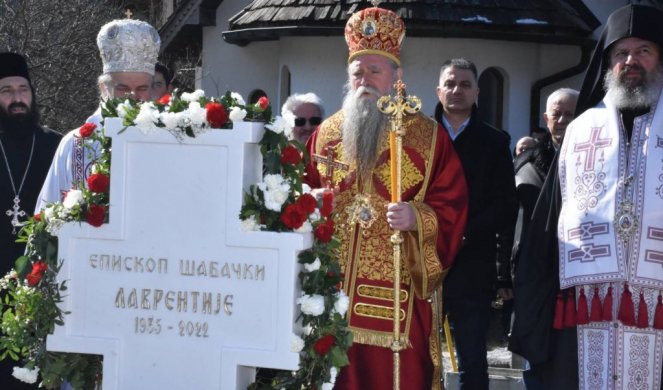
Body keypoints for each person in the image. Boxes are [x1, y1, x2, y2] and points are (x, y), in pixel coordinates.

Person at [304, 5, 468, 389]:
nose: (364, 80)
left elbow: (454, 206)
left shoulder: (428, 137)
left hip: (397, 301)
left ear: (397, 76)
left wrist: (418, 218)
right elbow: (305, 198)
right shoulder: (327, 134)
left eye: (374, 71)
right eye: (357, 73)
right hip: (331, 295)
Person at [510, 4, 663, 389]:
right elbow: (548, 223)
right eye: (621, 53)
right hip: (584, 305)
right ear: (608, 62)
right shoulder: (581, 131)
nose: (632, 61)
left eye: (643, 50)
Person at [434, 58, 517, 389]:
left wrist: (464, 232)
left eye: (465, 84)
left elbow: (505, 205)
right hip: (422, 261)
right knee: (417, 353)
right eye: (450, 84)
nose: (457, 91)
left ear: (478, 92)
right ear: (439, 90)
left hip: (472, 265)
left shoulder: (494, 142)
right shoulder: (417, 136)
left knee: (472, 358)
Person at [36, 19, 160, 211]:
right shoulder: (75, 144)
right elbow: (48, 216)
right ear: (104, 88)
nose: (133, 97)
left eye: (142, 88)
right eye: (123, 88)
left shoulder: (167, 138)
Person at [0, 52, 62, 389]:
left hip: (39, 282)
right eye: (6, 91)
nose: (17, 98)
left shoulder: (56, 145)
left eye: (22, 89)